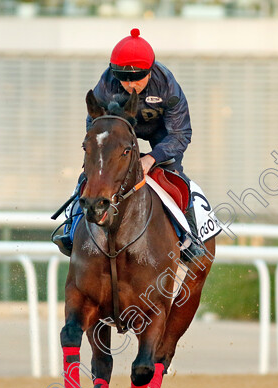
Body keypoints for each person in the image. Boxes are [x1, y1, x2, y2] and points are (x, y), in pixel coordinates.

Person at [52, 28, 206, 262]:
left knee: (176, 176)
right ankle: (71, 230)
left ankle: (190, 237)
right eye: (123, 78)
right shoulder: (105, 85)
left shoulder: (168, 86)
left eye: (137, 78)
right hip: (120, 131)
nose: (129, 84)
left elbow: (181, 134)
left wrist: (152, 157)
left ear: (150, 71)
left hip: (161, 133)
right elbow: (95, 127)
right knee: (90, 175)